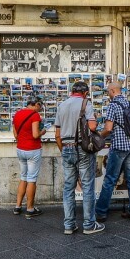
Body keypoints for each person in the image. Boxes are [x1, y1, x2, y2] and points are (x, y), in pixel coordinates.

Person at [54, 81, 104, 235]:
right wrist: (95, 118)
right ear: (86, 93)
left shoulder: (61, 106)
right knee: (87, 187)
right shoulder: (85, 104)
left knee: (68, 188)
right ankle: (89, 224)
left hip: (66, 148)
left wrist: (64, 150)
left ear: (71, 92)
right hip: (82, 148)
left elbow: (57, 135)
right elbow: (92, 127)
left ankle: (69, 225)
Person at [95, 82, 130, 222]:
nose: (108, 94)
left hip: (118, 147)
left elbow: (108, 128)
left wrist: (98, 136)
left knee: (110, 180)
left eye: (108, 92)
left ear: (112, 90)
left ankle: (100, 212)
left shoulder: (113, 105)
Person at [12, 94, 47, 219]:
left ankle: (17, 206)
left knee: (23, 177)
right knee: (32, 179)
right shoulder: (35, 115)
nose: (40, 109)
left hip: (20, 149)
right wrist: (44, 131)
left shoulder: (17, 114)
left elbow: (15, 135)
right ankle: (30, 209)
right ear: (36, 104)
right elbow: (35, 135)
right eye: (40, 106)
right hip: (32, 149)